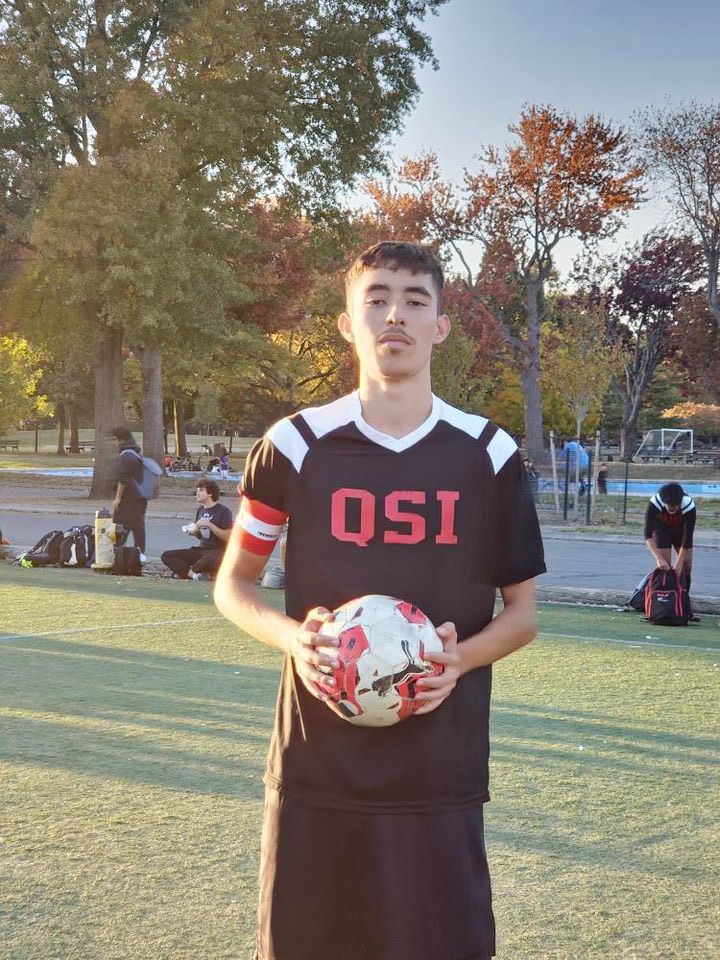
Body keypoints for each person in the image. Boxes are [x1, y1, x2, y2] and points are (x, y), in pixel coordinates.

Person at [215, 241, 546, 960]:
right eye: (377, 299)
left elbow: (522, 614)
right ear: (347, 323)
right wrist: (292, 638)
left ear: (440, 327)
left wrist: (458, 662)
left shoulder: (488, 454)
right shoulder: (295, 444)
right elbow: (233, 586)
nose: (395, 314)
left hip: (439, 769)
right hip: (316, 767)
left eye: (415, 300)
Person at [160, 478, 233, 580]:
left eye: (201, 490)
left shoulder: (223, 511)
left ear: (210, 493)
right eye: (197, 490)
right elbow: (201, 536)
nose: (197, 493)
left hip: (217, 551)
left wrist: (209, 525)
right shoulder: (200, 510)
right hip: (201, 550)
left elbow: (228, 536)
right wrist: (194, 532)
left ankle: (185, 573)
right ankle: (193, 575)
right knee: (167, 555)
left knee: (209, 559)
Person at [644, 482, 697, 603]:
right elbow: (647, 535)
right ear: (663, 501)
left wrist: (679, 564)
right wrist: (658, 558)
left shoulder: (688, 504)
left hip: (681, 532)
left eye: (675, 505)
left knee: (686, 566)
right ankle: (665, 602)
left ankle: (683, 602)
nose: (672, 508)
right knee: (665, 567)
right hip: (662, 530)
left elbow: (688, 536)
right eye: (669, 505)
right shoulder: (654, 503)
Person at [110, 426, 147, 563]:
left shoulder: (126, 456)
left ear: (121, 440)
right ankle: (140, 553)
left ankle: (116, 554)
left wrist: (118, 498)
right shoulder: (137, 453)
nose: (113, 442)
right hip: (140, 497)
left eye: (114, 439)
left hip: (128, 498)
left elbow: (123, 479)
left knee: (120, 529)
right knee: (138, 527)